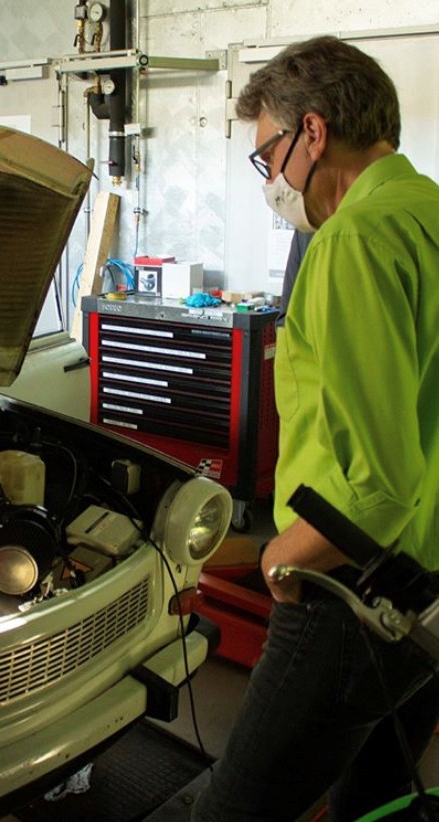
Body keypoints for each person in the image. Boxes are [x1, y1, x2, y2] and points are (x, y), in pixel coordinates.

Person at [192, 35, 439, 821]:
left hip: (352, 588)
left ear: (314, 132)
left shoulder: (352, 243)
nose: (272, 179)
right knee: (374, 798)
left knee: (236, 810)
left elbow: (373, 487)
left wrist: (279, 557)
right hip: (430, 586)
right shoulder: (427, 212)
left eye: (268, 155)